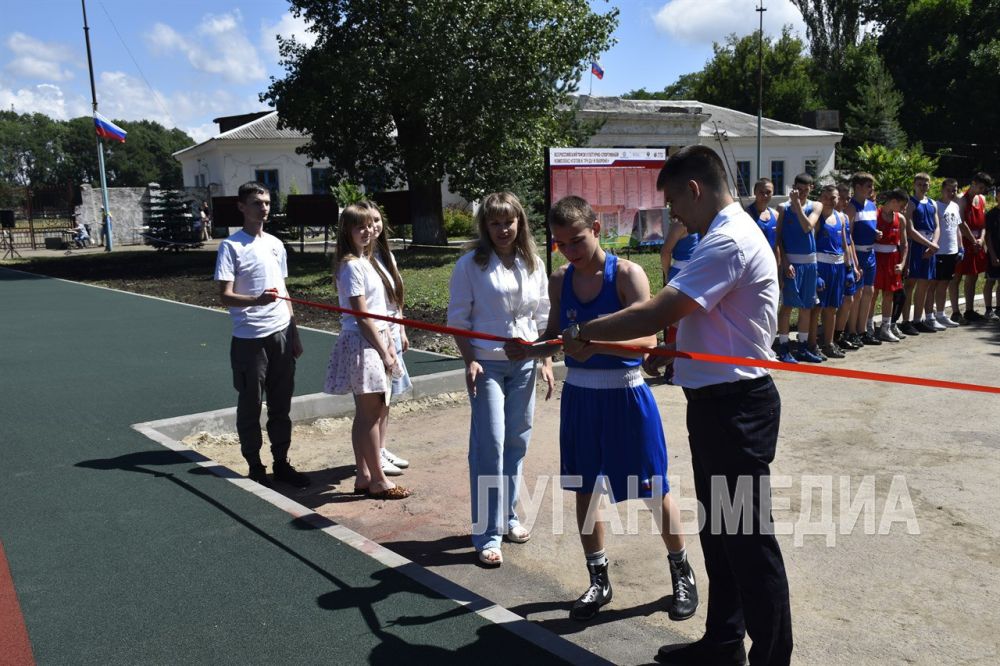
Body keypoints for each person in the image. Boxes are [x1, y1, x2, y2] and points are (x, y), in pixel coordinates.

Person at [564, 145, 791, 665]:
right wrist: (675, 357)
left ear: (695, 188)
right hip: (716, 402)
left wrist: (584, 333)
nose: (673, 216)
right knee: (721, 535)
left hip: (736, 407)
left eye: (673, 204)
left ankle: (772, 658)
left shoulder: (728, 240)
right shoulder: (717, 236)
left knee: (749, 542)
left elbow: (660, 308)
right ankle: (725, 641)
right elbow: (706, 317)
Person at [507, 195, 698, 623]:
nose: (570, 251)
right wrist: (528, 350)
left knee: (654, 488)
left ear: (596, 228)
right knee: (583, 489)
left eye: (576, 240)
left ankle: (681, 571)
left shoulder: (627, 274)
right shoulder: (560, 280)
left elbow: (650, 342)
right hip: (581, 397)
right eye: (560, 244)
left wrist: (594, 345)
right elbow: (556, 336)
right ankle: (598, 579)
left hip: (627, 394)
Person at [447, 192, 553, 567]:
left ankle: (507, 517)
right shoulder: (469, 266)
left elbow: (541, 316)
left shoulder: (532, 262)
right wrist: (469, 360)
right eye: (495, 222)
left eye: (509, 221)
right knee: (489, 444)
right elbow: (458, 319)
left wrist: (545, 359)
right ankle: (486, 532)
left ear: (520, 223)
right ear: (485, 226)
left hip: (524, 364)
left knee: (516, 441)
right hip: (487, 365)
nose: (503, 229)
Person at [214, 181, 309, 489]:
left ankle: (281, 462)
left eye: (267, 202)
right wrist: (256, 301)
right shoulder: (231, 246)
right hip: (249, 339)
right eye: (257, 203)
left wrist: (293, 333)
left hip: (281, 333)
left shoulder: (275, 244)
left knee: (281, 405)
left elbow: (284, 291)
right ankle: (255, 466)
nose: (264, 207)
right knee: (251, 405)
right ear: (242, 207)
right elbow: (224, 296)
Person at [324, 203, 410, 500]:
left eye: (369, 226)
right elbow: (361, 315)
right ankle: (378, 479)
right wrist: (384, 351)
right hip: (364, 341)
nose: (366, 231)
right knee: (369, 415)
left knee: (368, 414)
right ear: (347, 230)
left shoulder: (368, 261)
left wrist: (391, 338)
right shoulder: (350, 265)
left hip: (375, 338)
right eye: (359, 226)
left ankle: (364, 475)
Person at [365, 200, 412, 476]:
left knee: (388, 399)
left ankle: (381, 448)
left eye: (377, 221)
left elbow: (396, 297)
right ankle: (374, 455)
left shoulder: (386, 255)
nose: (374, 227)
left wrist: (402, 329)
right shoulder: (362, 259)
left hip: (392, 331)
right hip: (378, 335)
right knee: (378, 400)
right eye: (368, 222)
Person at [775, 173, 821, 363]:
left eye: (805, 190)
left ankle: (802, 346)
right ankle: (784, 346)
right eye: (798, 189)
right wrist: (784, 262)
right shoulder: (782, 208)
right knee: (787, 306)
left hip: (810, 263)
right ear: (793, 187)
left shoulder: (815, 206)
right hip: (792, 262)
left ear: (811, 188)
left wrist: (797, 206)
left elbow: (807, 227)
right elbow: (778, 239)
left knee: (807, 306)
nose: (801, 193)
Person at [814, 185, 857, 358]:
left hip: (838, 266)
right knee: (817, 308)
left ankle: (829, 343)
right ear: (820, 198)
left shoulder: (841, 217)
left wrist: (849, 268)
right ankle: (812, 344)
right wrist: (815, 273)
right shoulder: (816, 218)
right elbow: (811, 246)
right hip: (822, 265)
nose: (830, 201)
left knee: (832, 307)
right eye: (826, 197)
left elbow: (845, 244)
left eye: (833, 197)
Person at [899, 173, 941, 335]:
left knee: (924, 284)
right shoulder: (911, 203)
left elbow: (937, 226)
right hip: (916, 246)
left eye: (926, 184)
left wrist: (934, 245)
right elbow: (910, 229)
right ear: (914, 185)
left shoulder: (932, 203)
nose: (923, 187)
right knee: (910, 284)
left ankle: (918, 319)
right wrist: (929, 244)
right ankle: (906, 321)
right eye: (920, 184)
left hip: (930, 247)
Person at [845, 173, 883, 346]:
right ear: (858, 187)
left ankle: (863, 330)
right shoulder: (851, 207)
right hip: (858, 254)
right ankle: (851, 331)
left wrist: (876, 234)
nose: (871, 190)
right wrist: (854, 262)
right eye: (868, 186)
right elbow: (849, 235)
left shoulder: (872, 206)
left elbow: (870, 227)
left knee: (869, 292)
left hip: (871, 253)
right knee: (857, 294)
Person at [954, 172, 994, 322]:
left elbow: (983, 223)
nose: (981, 191)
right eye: (980, 187)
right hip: (964, 240)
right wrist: (972, 240)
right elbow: (961, 223)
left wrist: (981, 239)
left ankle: (969, 310)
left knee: (974, 275)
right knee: (957, 276)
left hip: (977, 241)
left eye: (984, 188)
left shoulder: (982, 199)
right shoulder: (961, 200)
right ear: (973, 183)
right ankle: (956, 312)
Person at [874, 189, 910, 342]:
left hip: (892, 259)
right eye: (901, 206)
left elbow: (905, 244)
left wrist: (902, 263)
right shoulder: (875, 214)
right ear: (894, 201)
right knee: (873, 294)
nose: (903, 209)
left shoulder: (900, 218)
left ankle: (885, 327)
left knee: (889, 295)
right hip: (876, 258)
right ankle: (868, 327)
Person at [833, 183, 862, 351]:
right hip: (834, 263)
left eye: (847, 198)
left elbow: (849, 243)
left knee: (848, 299)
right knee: (834, 302)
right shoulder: (828, 216)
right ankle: (830, 336)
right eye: (841, 198)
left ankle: (839, 333)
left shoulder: (844, 216)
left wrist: (854, 264)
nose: (844, 201)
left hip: (848, 264)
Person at [932, 179, 963, 328]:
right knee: (934, 284)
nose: (952, 193)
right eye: (949, 190)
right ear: (942, 190)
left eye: (954, 190)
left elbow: (957, 229)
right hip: (938, 251)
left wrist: (961, 247)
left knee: (945, 284)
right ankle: (929, 315)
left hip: (952, 250)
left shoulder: (955, 206)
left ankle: (940, 314)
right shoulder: (935, 206)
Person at [745, 178, 778, 252]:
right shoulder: (746, 214)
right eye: (761, 192)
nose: (765, 195)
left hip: (772, 259)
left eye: (768, 192)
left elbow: (777, 242)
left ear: (773, 193)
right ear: (755, 192)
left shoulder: (775, 214)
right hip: (755, 259)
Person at [984, 204, 1000, 322]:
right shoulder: (991, 214)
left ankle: (998, 308)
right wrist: (993, 255)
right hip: (994, 252)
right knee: (991, 281)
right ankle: (988, 309)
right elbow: (987, 236)